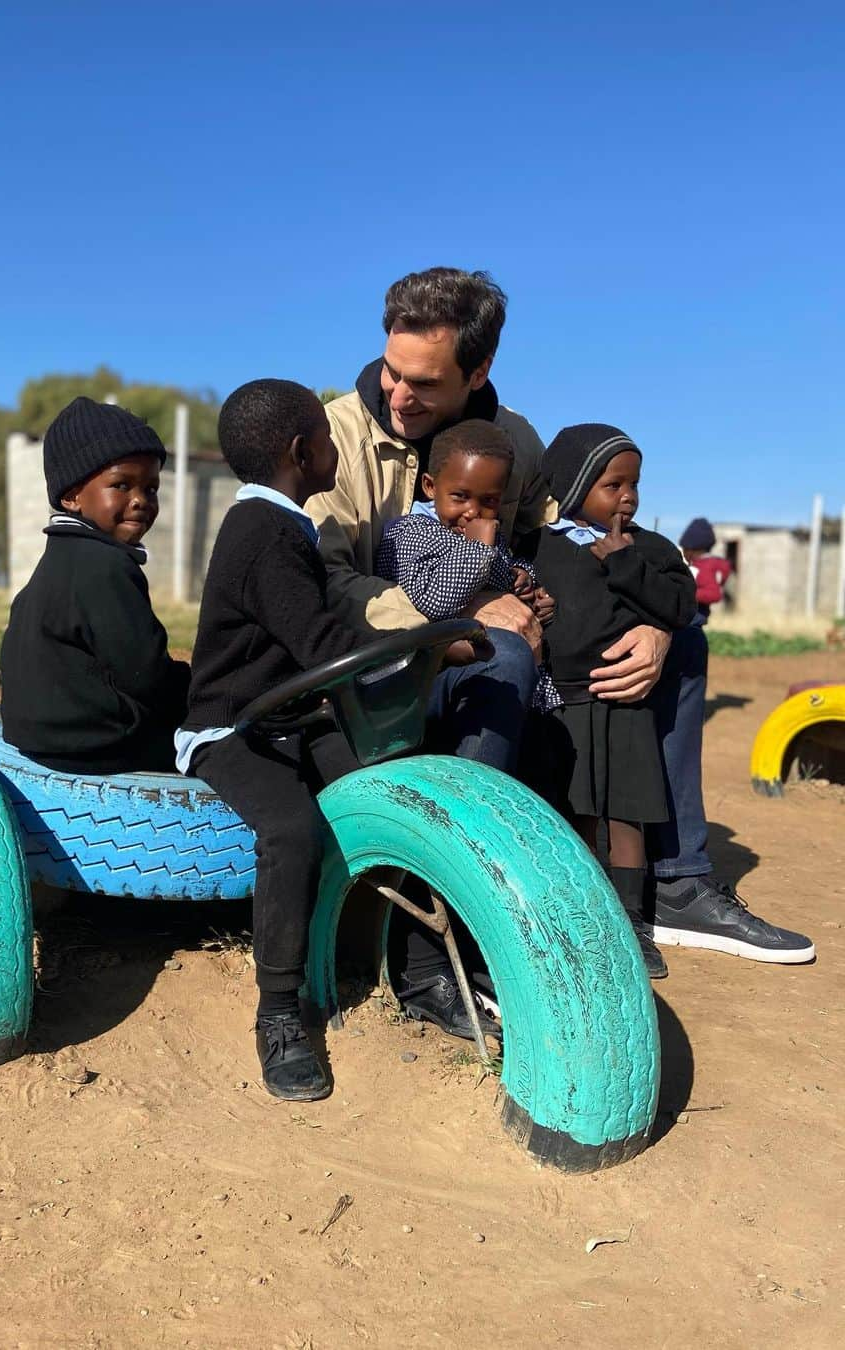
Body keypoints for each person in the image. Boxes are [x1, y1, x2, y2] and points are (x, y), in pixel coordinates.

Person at [312, 265, 814, 966]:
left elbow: (569, 541)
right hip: (384, 662)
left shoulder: (513, 438)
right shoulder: (333, 441)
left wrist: (653, 621)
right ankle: (454, 919)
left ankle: (672, 881)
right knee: (502, 653)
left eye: (424, 383)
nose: (398, 393)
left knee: (682, 643)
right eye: (391, 370)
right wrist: (462, 612)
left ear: (479, 368)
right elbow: (325, 587)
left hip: (501, 637)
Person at [176, 379, 374, 1102]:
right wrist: (421, 648)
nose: (334, 448)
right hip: (230, 725)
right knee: (291, 827)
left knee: (369, 784)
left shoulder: (280, 523)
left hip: (285, 712)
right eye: (327, 435)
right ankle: (279, 1008)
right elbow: (319, 641)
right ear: (302, 451)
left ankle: (370, 951)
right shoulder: (264, 532)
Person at [523, 425, 696, 976]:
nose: (628, 496)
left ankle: (631, 922)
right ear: (573, 486)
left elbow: (679, 605)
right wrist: (535, 605)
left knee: (627, 816)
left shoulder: (650, 549)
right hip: (563, 704)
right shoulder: (537, 546)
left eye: (634, 484)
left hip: (624, 704)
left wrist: (624, 563)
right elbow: (519, 597)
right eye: (612, 483)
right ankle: (583, 914)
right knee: (576, 813)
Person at [1, 397, 189, 774]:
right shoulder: (105, 566)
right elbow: (146, 676)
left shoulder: (62, 557)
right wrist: (204, 687)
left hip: (43, 738)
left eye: (151, 489)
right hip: (96, 747)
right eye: (121, 485)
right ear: (71, 496)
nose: (140, 501)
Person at [375, 419, 558, 709]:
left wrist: (527, 582)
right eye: (460, 496)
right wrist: (480, 548)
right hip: (439, 683)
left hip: (511, 685)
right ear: (430, 486)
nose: (473, 511)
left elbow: (504, 569)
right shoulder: (410, 533)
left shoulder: (487, 535)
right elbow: (434, 601)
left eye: (489, 500)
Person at [679, 517, 734, 625]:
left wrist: (685, 594)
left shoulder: (704, 568)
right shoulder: (706, 565)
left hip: (694, 617)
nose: (683, 553)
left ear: (690, 550)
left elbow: (714, 593)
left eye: (684, 549)